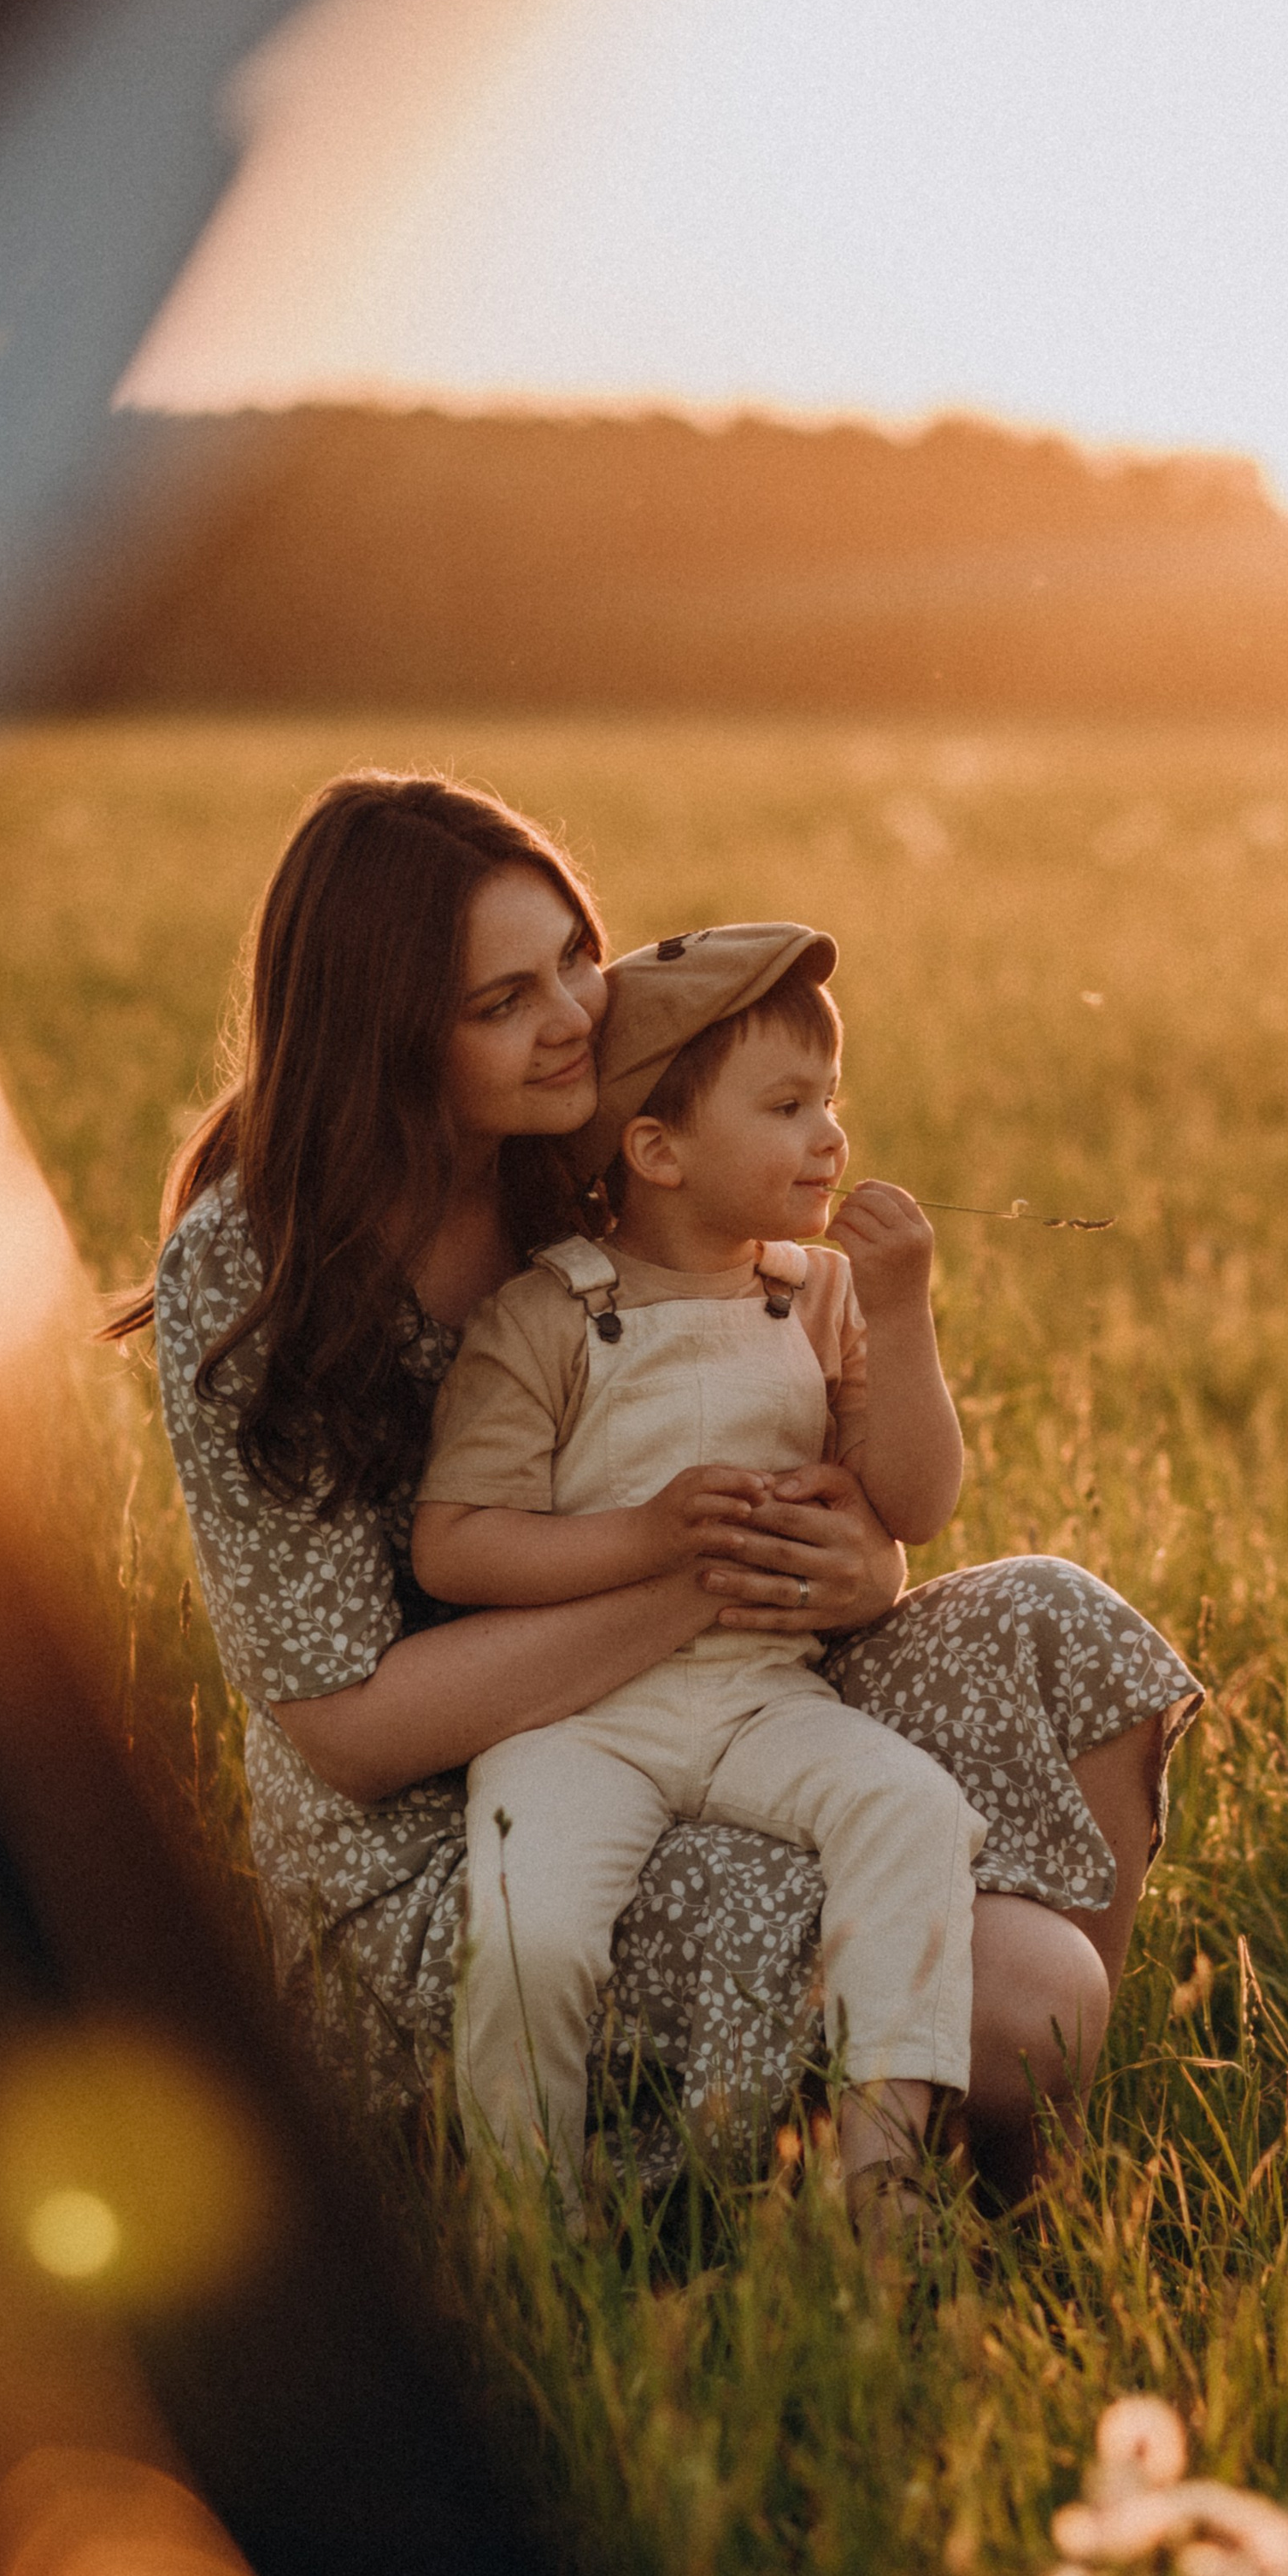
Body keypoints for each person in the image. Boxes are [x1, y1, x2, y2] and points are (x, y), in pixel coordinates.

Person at [127, 769, 1202, 2203]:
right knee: (1026, 1999)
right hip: (457, 1822)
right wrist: (696, 1579)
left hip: (733, 1686)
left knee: (1061, 1625)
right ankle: (713, 2204)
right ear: (386, 1034)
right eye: (499, 1001)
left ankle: (1013, 2197)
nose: (575, 1013)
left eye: (573, 955)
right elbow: (346, 1731)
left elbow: (832, 1487)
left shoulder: (582, 1149)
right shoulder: (250, 1265)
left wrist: (854, 1568)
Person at [414, 924, 983, 2214]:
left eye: (831, 1102)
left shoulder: (825, 1296)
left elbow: (916, 1501)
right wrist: (654, 1532)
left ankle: (879, 2183)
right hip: (574, 1717)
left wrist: (902, 1315)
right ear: (657, 1152)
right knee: (533, 1930)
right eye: (787, 1107)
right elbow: (454, 1541)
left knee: (915, 1812)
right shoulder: (549, 1314)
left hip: (764, 1701)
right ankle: (522, 2222)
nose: (830, 1138)